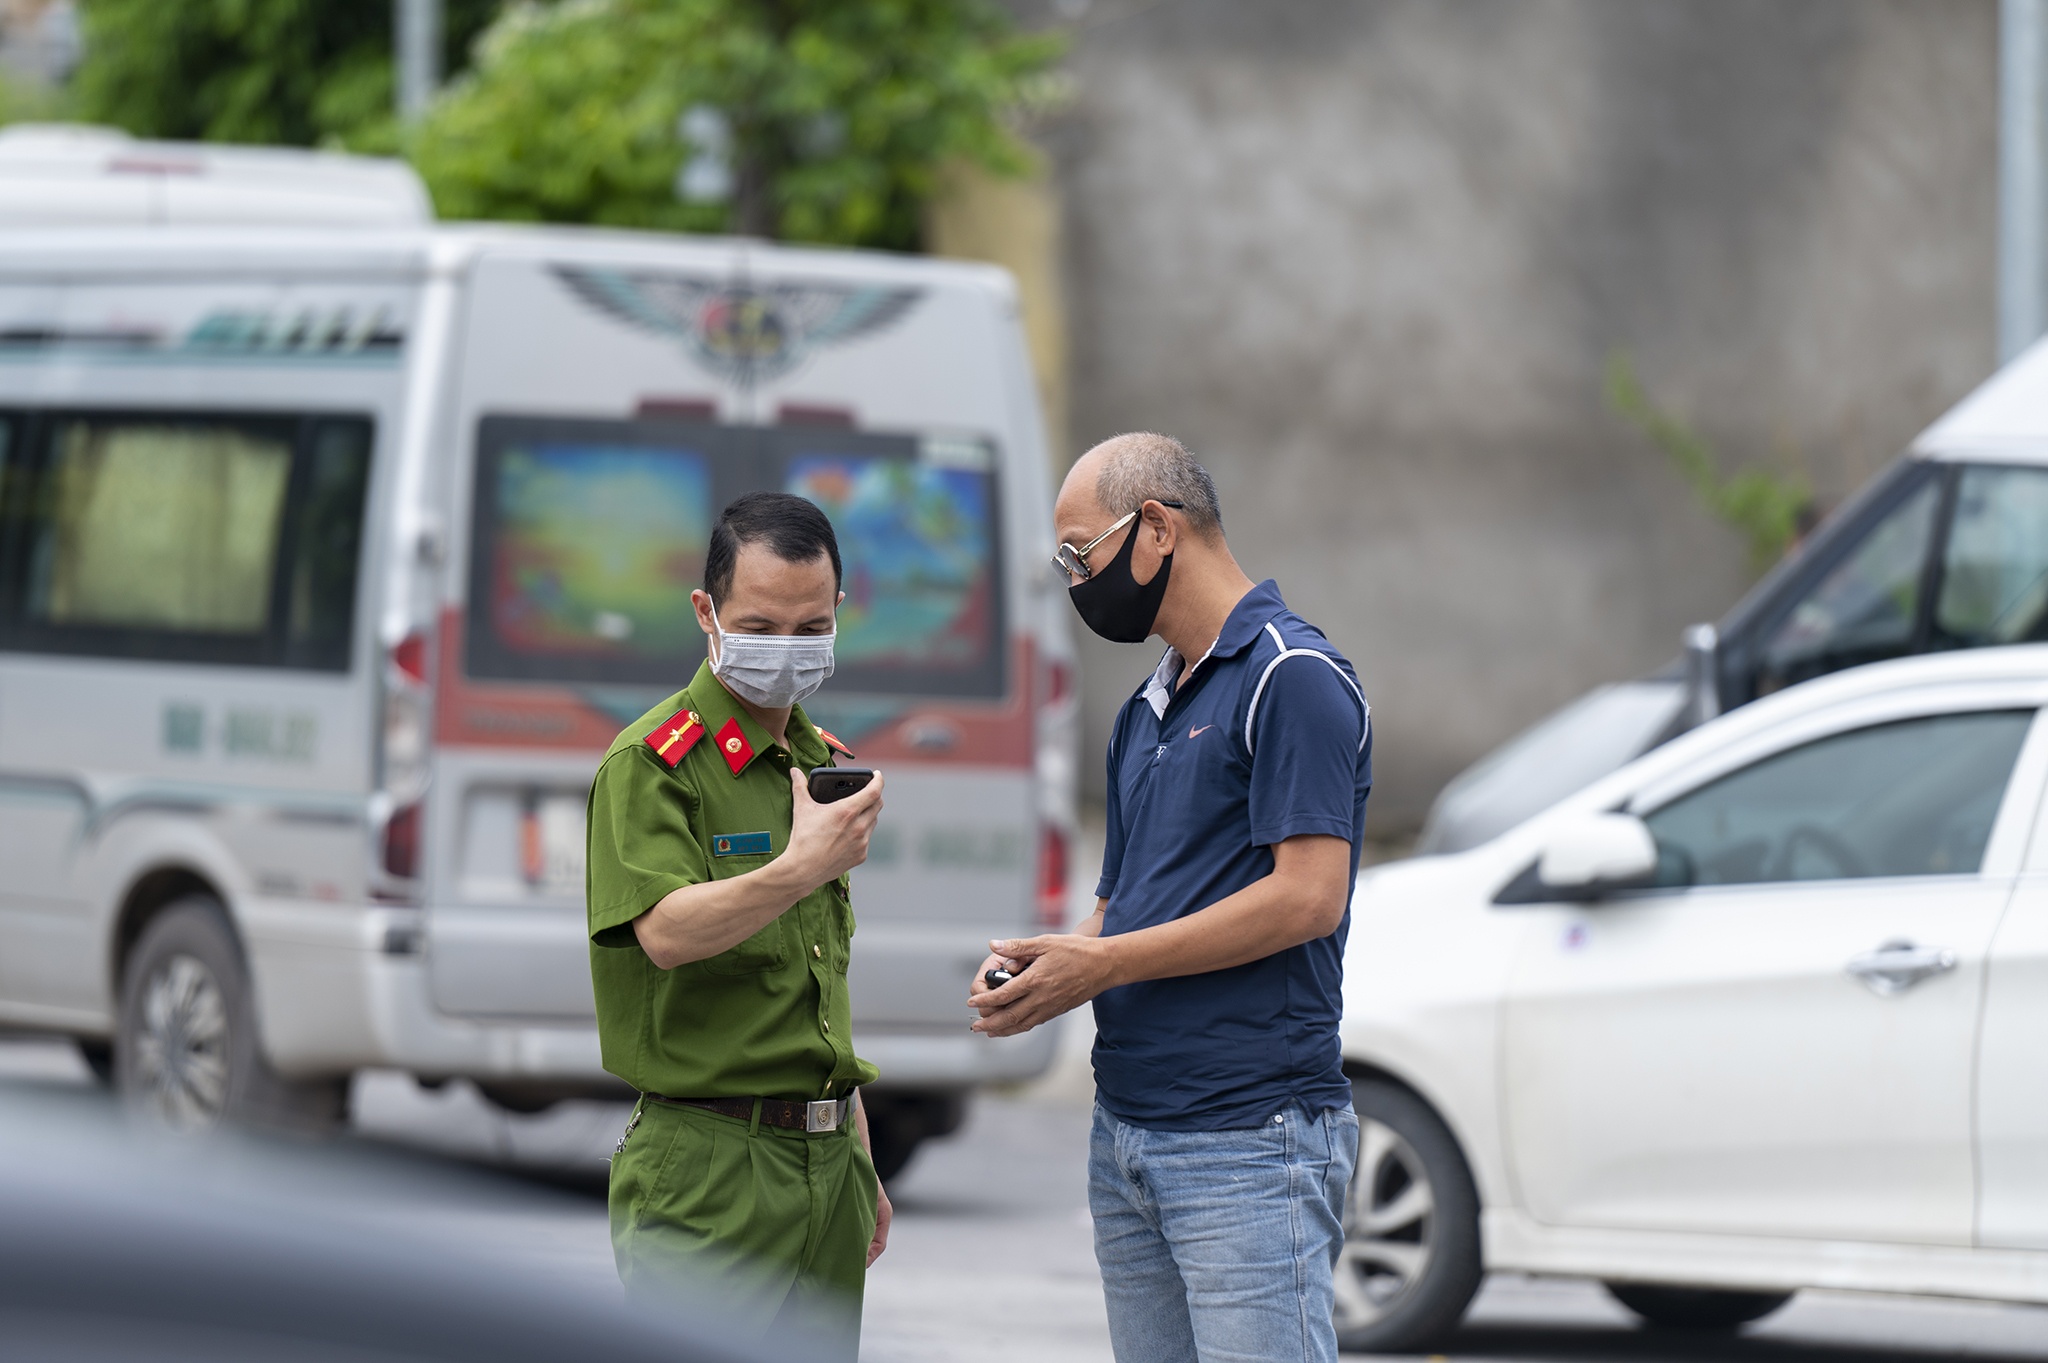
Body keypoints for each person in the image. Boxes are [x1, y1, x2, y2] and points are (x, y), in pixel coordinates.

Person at [970, 433, 1372, 1363]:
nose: (1076, 582)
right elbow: (1124, 903)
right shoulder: (1146, 707)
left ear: (1156, 528)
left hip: (1248, 1139)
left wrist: (1101, 963)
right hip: (1129, 1135)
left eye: (1082, 553)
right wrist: (1055, 966)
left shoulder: (1293, 678)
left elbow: (1309, 896)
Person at [585, 491, 888, 1358]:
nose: (785, 652)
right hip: (711, 1164)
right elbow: (667, 930)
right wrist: (799, 867)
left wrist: (858, 1153)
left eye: (808, 628)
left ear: (838, 612)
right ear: (706, 612)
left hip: (826, 1162)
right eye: (759, 625)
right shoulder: (653, 764)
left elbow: (816, 978)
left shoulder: (817, 759)